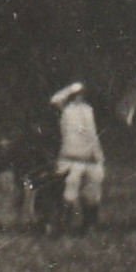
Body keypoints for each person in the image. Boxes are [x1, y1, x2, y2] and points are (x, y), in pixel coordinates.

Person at [50, 81, 105, 233]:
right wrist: (71, 88)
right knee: (69, 194)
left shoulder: (89, 110)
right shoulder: (66, 110)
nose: (79, 97)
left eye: (81, 94)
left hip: (89, 157)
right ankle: (63, 226)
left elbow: (93, 133)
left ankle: (89, 227)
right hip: (71, 156)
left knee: (91, 194)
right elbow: (55, 99)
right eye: (77, 95)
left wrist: (98, 154)